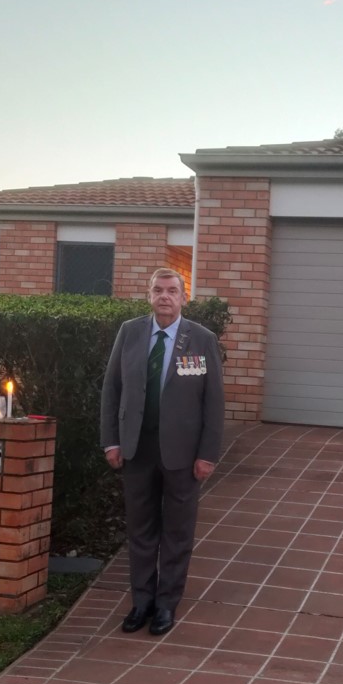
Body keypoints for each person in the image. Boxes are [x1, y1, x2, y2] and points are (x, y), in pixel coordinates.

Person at [100, 268, 225, 635]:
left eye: (172, 291)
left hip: (183, 455)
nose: (165, 297)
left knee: (177, 532)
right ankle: (142, 602)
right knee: (140, 530)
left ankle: (167, 604)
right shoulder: (130, 333)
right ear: (149, 295)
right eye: (158, 290)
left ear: (183, 298)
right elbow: (112, 389)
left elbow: (213, 403)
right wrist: (112, 440)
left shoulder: (201, 340)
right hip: (137, 449)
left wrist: (208, 454)